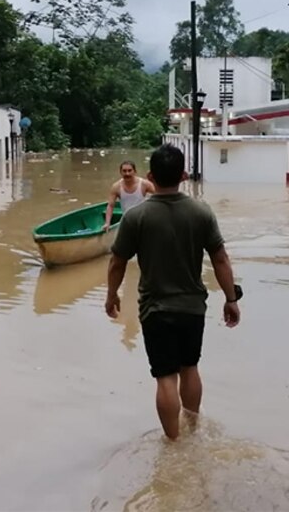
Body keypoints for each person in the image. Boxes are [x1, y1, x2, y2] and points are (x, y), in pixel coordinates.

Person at [105, 145, 241, 441]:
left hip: (155, 309)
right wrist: (231, 299)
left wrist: (112, 295)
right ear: (183, 175)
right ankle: (193, 430)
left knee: (165, 376)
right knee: (190, 367)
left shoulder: (136, 217)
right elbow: (220, 260)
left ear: (151, 176)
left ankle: (173, 441)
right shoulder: (201, 212)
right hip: (193, 307)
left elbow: (117, 262)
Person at [103, 160, 155, 229]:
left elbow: (160, 194)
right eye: (124, 171)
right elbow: (110, 206)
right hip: (126, 220)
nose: (127, 173)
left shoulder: (144, 184)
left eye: (129, 170)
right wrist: (107, 223)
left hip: (143, 220)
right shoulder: (116, 187)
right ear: (120, 172)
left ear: (135, 171)